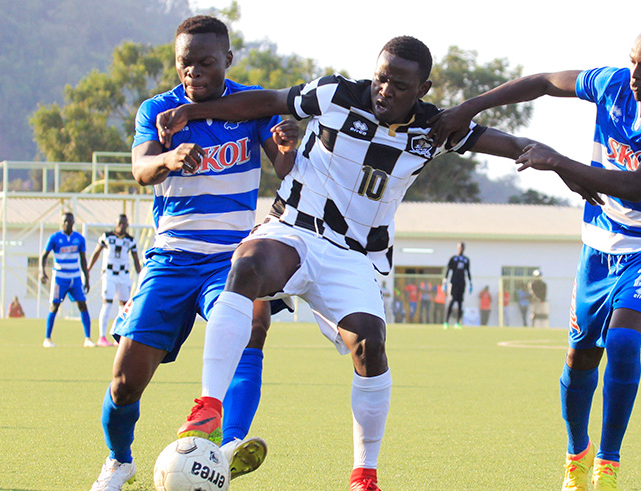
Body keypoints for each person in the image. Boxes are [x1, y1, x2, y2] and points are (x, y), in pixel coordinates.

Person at [155, 35, 572, 491]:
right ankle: (209, 407)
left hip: (353, 256)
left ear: (423, 88)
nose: (384, 90)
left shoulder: (437, 129)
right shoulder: (335, 94)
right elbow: (265, 102)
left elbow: (511, 142)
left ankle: (364, 475)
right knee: (248, 265)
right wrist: (193, 112)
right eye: (380, 78)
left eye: (398, 84)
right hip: (294, 229)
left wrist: (563, 164)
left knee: (370, 344)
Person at [430, 23, 641, 490]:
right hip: (599, 243)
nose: (636, 71)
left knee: (623, 343)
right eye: (634, 59)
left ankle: (608, 465)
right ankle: (576, 453)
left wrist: (557, 161)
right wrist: (469, 106)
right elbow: (543, 82)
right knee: (581, 355)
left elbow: (636, 186)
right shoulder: (614, 84)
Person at [88, 16, 299, 491]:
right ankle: (120, 461)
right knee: (124, 382)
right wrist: (168, 159)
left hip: (232, 258)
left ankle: (229, 447)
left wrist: (288, 148)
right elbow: (142, 169)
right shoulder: (159, 110)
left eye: (206, 63)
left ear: (227, 59)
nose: (194, 73)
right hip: (171, 259)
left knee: (253, 327)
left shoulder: (252, 103)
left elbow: (284, 166)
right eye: (185, 64)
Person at [87, 214, 142, 347]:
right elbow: (96, 253)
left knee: (124, 307)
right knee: (107, 304)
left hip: (123, 275)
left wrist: (141, 275)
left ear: (127, 225)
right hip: (109, 274)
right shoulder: (107, 237)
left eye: (124, 224)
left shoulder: (130, 240)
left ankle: (119, 336)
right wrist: (87, 269)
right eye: (119, 224)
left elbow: (135, 259)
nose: (121, 226)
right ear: (115, 224)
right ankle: (102, 337)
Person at [41, 212, 92, 348]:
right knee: (55, 306)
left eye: (70, 221)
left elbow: (83, 259)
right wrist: (42, 272)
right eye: (65, 221)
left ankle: (87, 338)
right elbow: (44, 255)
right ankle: (47, 338)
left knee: (82, 305)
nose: (67, 224)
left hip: (75, 278)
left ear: (73, 222)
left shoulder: (79, 238)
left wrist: (86, 278)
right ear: (61, 222)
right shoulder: (55, 238)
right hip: (60, 278)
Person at [443, 242, 472, 329]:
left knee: (460, 303)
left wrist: (470, 283)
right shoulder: (453, 259)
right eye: (459, 247)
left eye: (462, 247)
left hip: (462, 283)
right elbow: (448, 270)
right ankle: (446, 322)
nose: (461, 249)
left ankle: (458, 322)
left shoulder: (466, 260)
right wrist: (445, 281)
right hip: (454, 283)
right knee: (452, 301)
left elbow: (468, 272)